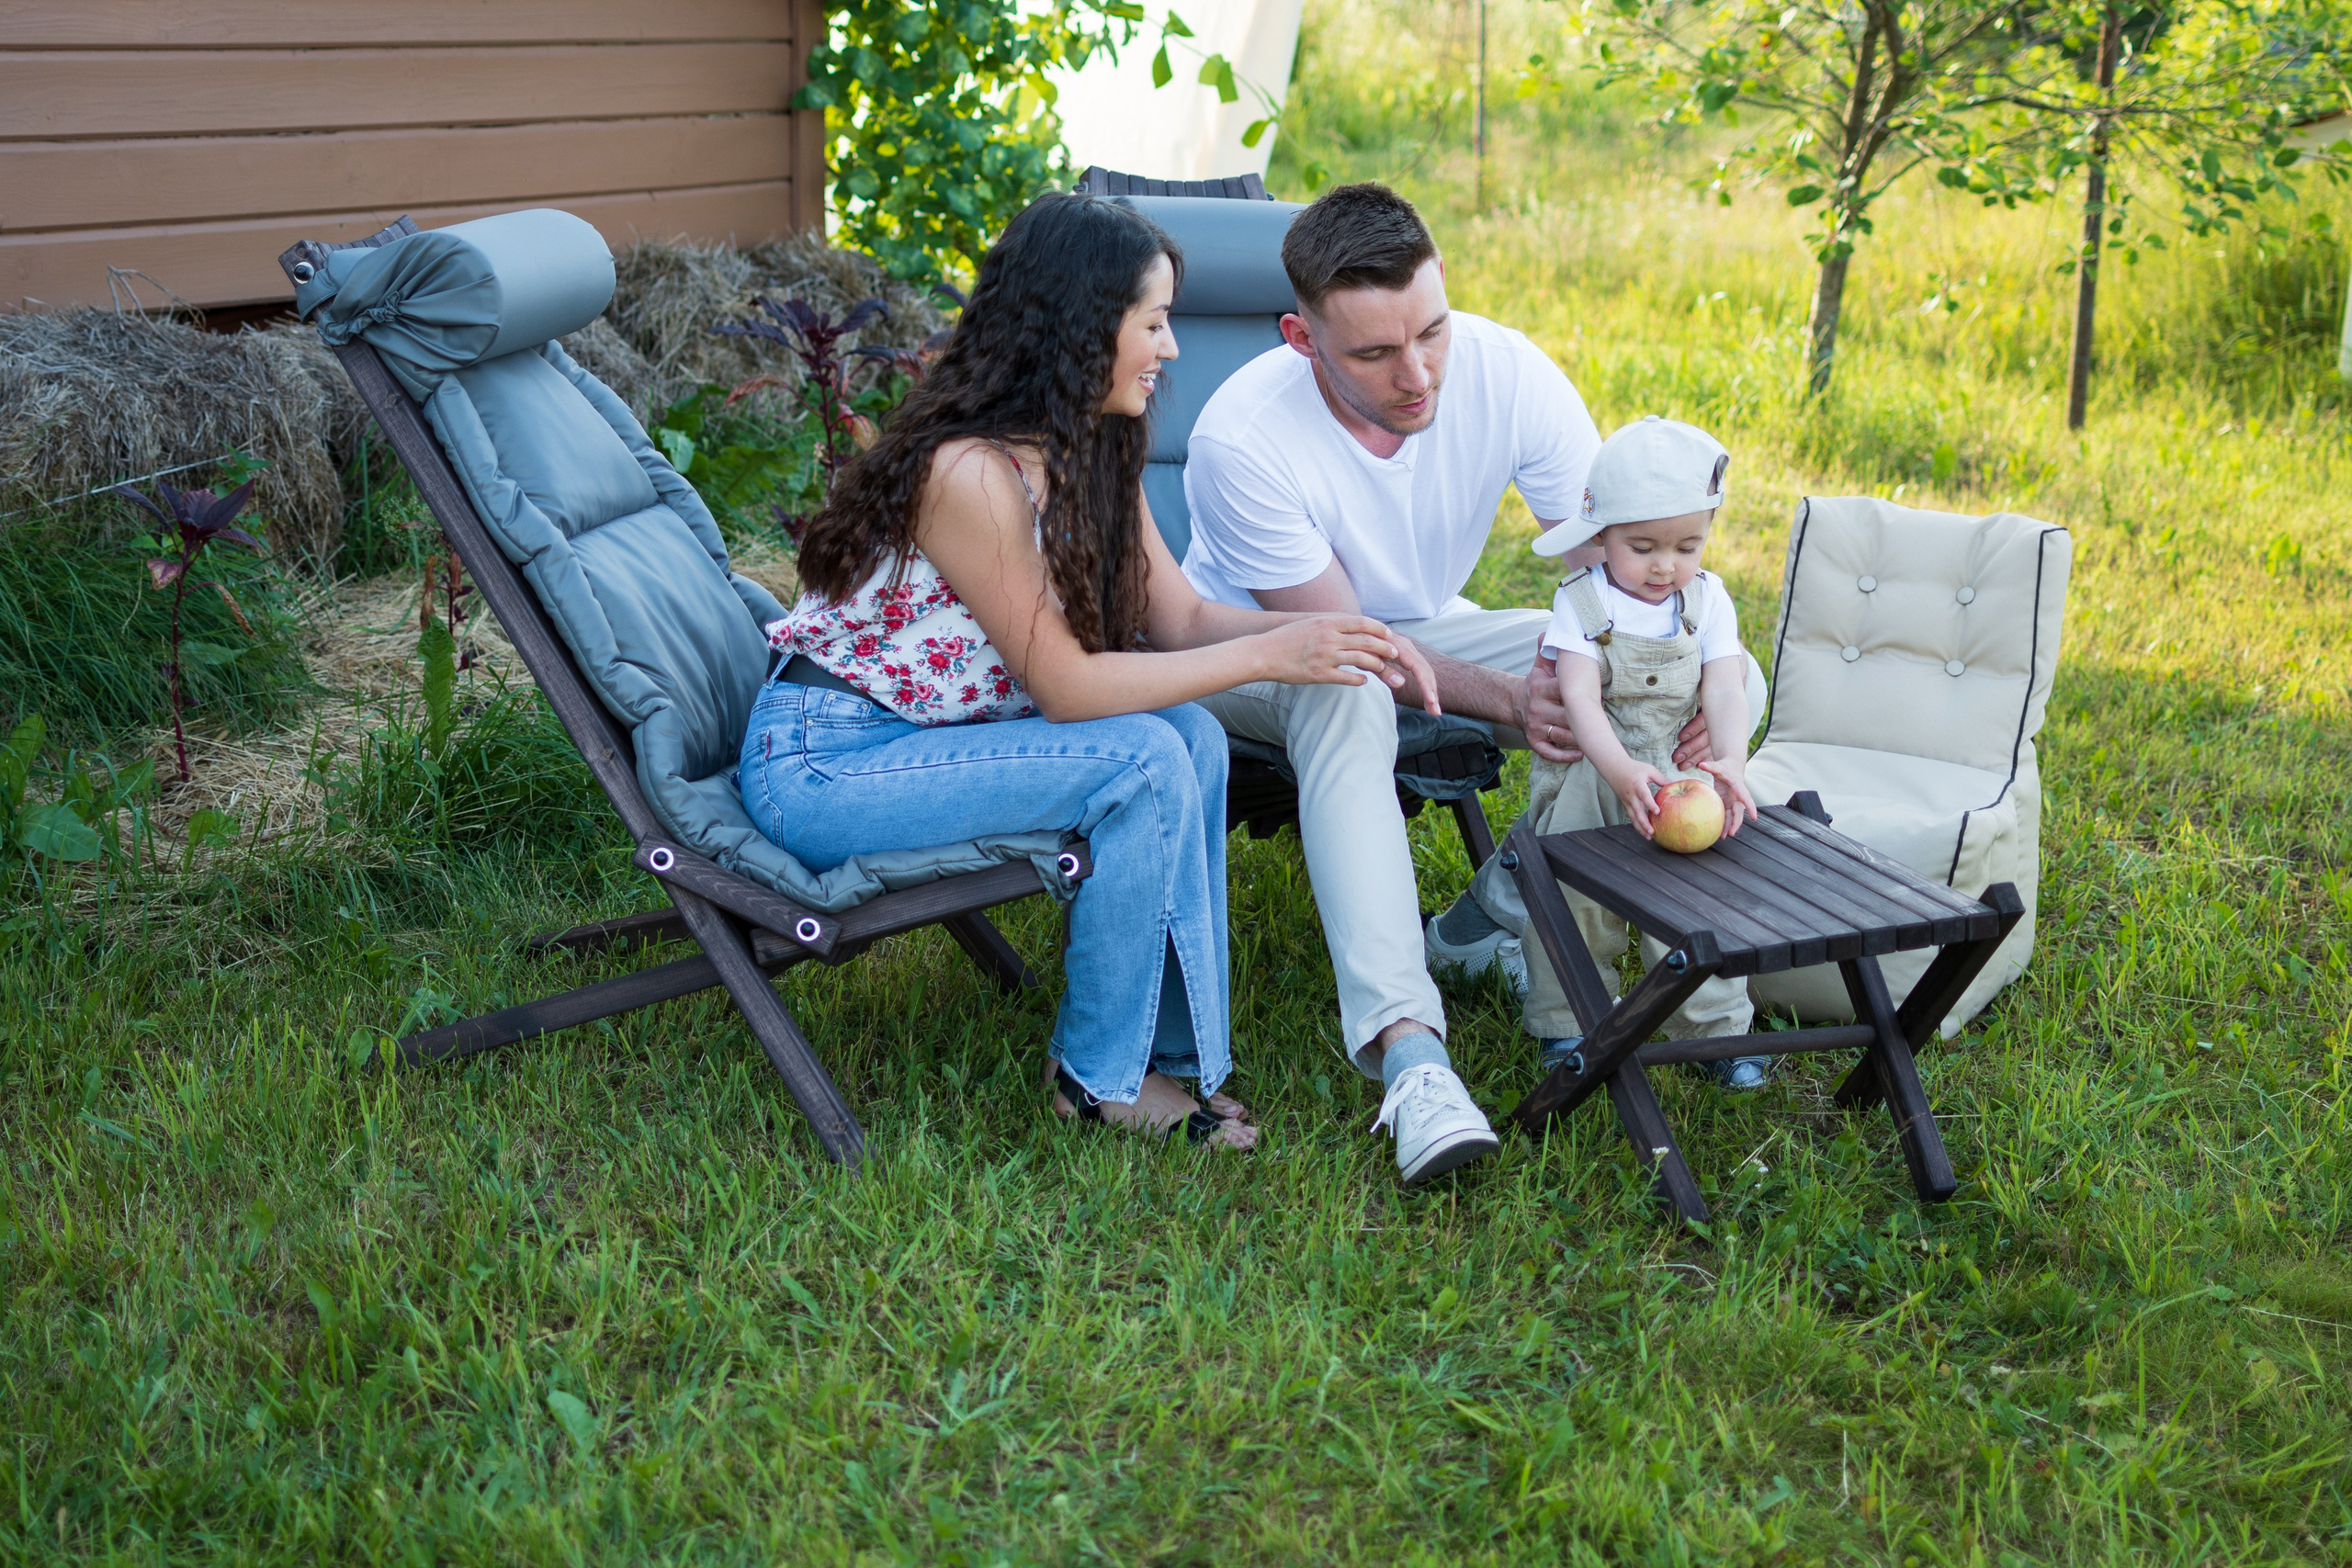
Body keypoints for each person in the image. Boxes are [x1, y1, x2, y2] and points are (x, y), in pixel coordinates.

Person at [741, 192, 1439, 1152]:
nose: (1171, 347)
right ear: (1079, 326)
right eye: (1152, 323)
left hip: (921, 746)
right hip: (827, 766)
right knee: (1142, 761)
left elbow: (1181, 617)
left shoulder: (1094, 444)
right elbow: (1068, 687)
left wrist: (1331, 634)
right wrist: (1273, 652)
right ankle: (1095, 1081)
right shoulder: (969, 472)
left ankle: (1169, 1061)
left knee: (1188, 736)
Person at [1181, 182, 1759, 1183]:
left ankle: (1486, 913)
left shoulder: (1503, 370)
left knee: (1717, 662)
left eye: (1430, 332)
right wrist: (1511, 702)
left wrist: (1677, 691)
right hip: (1252, 652)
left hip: (1421, 626)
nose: (1418, 375)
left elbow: (1612, 578)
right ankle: (1411, 1058)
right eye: (1372, 353)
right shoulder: (1240, 438)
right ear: (1297, 337)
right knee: (1351, 690)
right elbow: (1340, 640)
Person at [1463, 416, 1770, 1087]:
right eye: (1643, 546)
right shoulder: (1581, 602)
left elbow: (1725, 687)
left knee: (1699, 899)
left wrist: (1730, 762)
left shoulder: (1708, 600)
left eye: (1688, 545)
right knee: (1574, 899)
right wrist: (1622, 769)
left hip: (1682, 776)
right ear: (1599, 537)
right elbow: (1580, 702)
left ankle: (1716, 1034)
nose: (1666, 565)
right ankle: (1569, 1020)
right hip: (1592, 776)